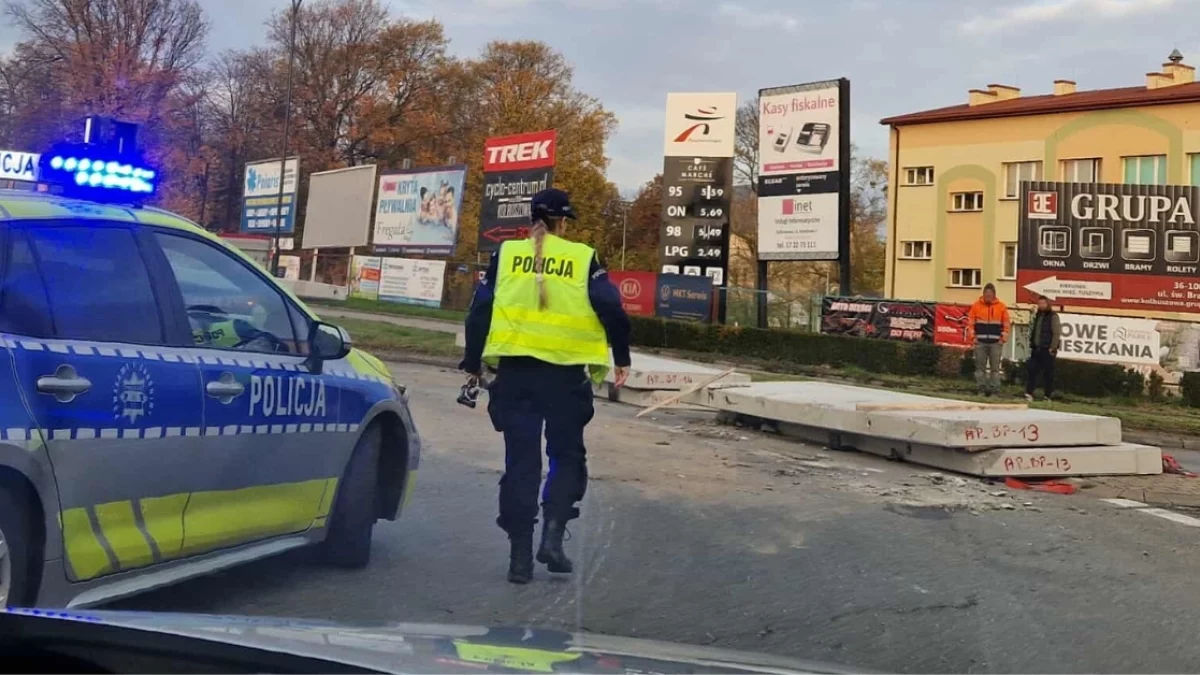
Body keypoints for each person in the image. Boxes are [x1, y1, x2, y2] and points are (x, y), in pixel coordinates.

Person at [459, 188, 632, 584]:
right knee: (566, 457)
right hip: (565, 377)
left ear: (530, 219)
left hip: (515, 375)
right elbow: (611, 307)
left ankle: (519, 558)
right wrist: (621, 356)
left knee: (521, 464)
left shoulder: (505, 255)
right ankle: (553, 536)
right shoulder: (582, 257)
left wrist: (472, 362)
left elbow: (480, 309)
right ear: (563, 222)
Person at [967, 282, 1010, 396]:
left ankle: (994, 391)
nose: (988, 297)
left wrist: (1002, 339)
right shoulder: (976, 306)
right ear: (983, 294)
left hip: (996, 343)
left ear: (994, 295)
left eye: (990, 295)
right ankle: (981, 390)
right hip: (980, 342)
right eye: (986, 295)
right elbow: (970, 324)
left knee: (995, 369)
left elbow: (1006, 324)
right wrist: (973, 337)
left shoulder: (1001, 307)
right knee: (980, 368)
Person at [1025, 295, 1061, 400]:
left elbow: (1056, 332)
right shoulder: (1038, 316)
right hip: (1036, 348)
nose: (1041, 305)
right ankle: (1029, 393)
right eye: (1039, 303)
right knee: (1032, 370)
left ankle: (1047, 395)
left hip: (1047, 349)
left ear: (1048, 304)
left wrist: (1053, 347)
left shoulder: (1053, 316)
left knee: (1048, 373)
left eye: (1043, 303)